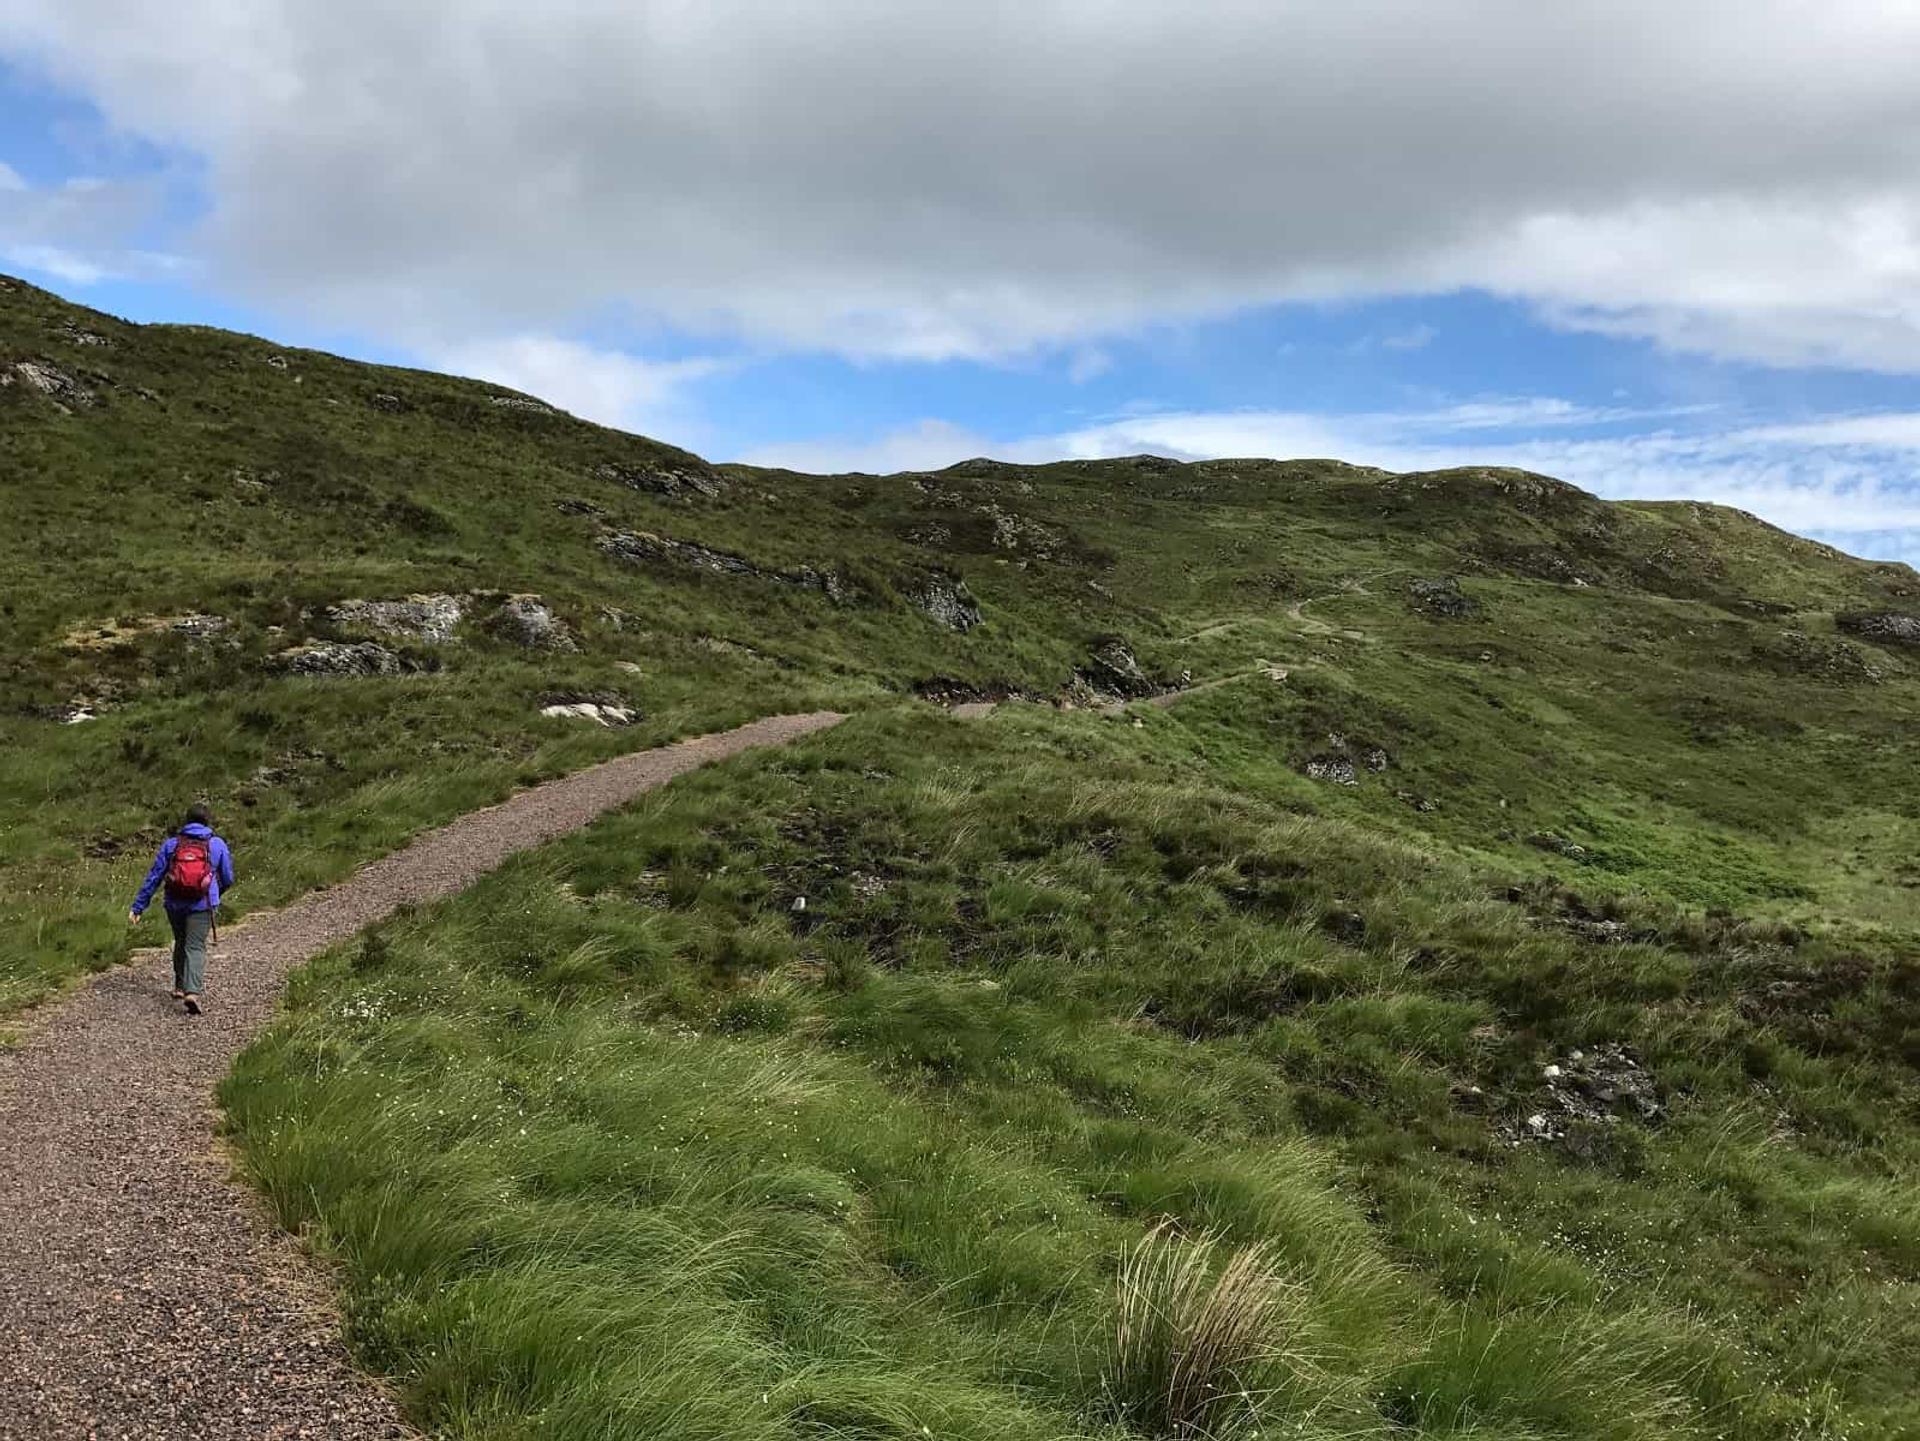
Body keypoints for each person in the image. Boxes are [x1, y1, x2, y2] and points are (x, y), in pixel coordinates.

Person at [128, 804, 236, 1014]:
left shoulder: (172, 845)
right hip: (202, 904)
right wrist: (215, 894)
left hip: (175, 903)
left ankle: (179, 986)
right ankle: (192, 992)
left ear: (187, 821)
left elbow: (154, 877)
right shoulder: (216, 844)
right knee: (195, 946)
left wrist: (138, 907)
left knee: (181, 941)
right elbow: (228, 877)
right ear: (207, 821)